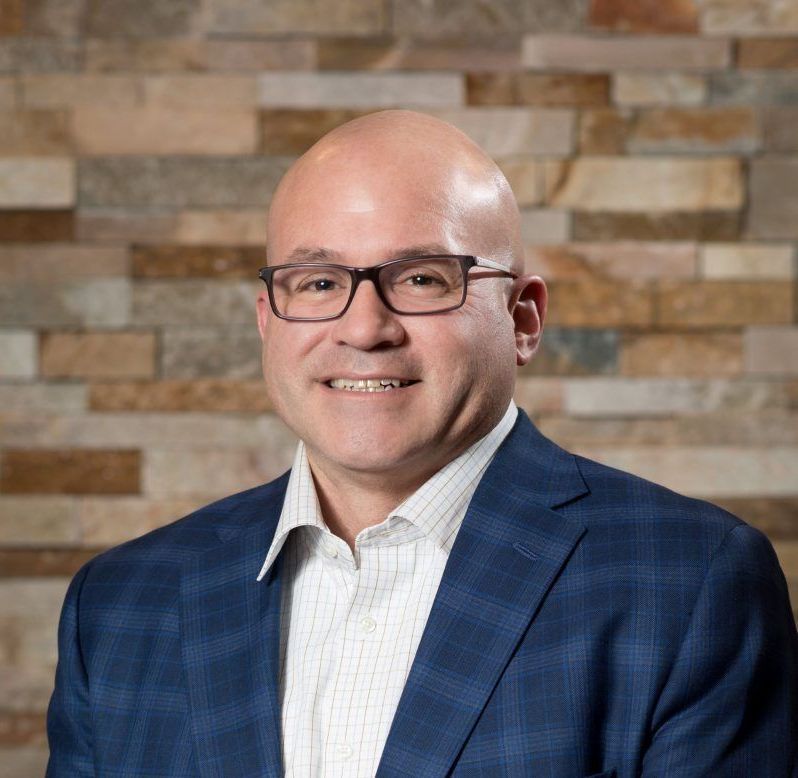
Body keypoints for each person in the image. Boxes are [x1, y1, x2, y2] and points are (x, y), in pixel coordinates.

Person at [46, 110, 797, 777]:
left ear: (523, 319)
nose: (365, 328)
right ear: (267, 322)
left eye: (423, 279)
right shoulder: (117, 606)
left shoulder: (688, 583)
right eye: (316, 283)